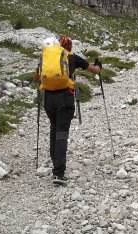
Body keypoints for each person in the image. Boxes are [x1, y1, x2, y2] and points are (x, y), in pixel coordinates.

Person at [34, 37, 102, 186]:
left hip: (48, 99)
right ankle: (58, 173)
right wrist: (99, 66)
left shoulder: (46, 57)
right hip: (65, 99)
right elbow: (94, 70)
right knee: (62, 133)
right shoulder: (72, 57)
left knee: (54, 128)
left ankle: (55, 163)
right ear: (69, 46)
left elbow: (36, 77)